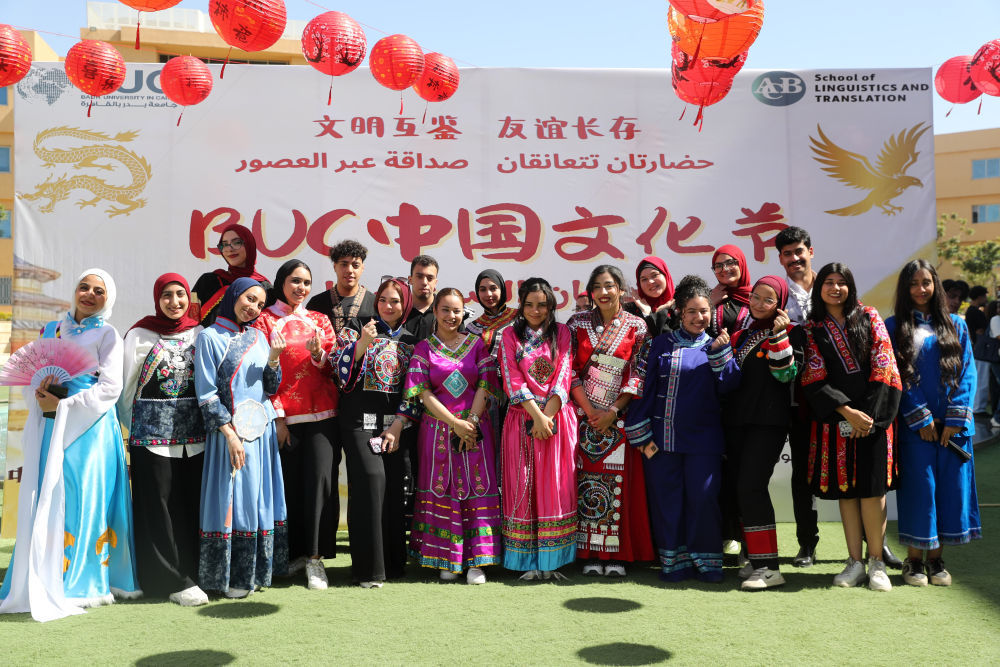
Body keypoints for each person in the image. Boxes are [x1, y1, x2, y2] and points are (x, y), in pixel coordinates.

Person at [1, 269, 141, 622]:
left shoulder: (107, 334)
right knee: (50, 492)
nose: (89, 294)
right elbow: (33, 377)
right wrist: (42, 395)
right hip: (52, 423)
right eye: (84, 287)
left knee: (84, 495)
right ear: (74, 290)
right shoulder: (51, 330)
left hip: (91, 427)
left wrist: (65, 405)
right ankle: (45, 569)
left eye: (98, 291)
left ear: (107, 299)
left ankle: (84, 580)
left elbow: (110, 387)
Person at [626, 275, 739, 584]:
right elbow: (643, 389)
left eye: (704, 311)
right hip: (662, 443)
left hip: (704, 443)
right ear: (678, 311)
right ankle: (674, 563)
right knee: (668, 502)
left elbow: (730, 387)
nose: (699, 317)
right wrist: (641, 435)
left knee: (704, 501)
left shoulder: (716, 345)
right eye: (692, 311)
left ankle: (707, 563)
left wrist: (721, 354)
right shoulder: (660, 344)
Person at [800, 263, 901, 592]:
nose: (835, 288)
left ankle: (877, 562)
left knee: (873, 491)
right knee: (847, 492)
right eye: (828, 282)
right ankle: (854, 562)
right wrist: (847, 413)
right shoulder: (812, 328)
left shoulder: (870, 316)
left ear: (851, 286)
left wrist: (866, 416)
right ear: (819, 288)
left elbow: (884, 363)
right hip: (837, 421)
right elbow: (813, 375)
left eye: (841, 282)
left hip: (873, 419)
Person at [886, 260, 981, 587]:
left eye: (926, 282)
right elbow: (896, 375)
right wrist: (920, 417)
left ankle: (937, 560)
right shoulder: (893, 326)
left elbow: (968, 372)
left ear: (935, 285)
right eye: (913, 283)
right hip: (917, 429)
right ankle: (913, 561)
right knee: (920, 491)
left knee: (950, 491)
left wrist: (955, 418)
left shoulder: (957, 325)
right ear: (904, 288)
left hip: (953, 430)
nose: (920, 289)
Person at [194, 278, 288, 598]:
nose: (253, 307)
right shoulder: (209, 337)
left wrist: (274, 358)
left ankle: (256, 573)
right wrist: (230, 435)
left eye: (260, 304)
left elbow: (270, 388)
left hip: (261, 435)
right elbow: (206, 394)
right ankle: (231, 578)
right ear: (234, 295)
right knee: (233, 502)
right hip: (230, 436)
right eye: (249, 299)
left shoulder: (259, 337)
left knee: (257, 502)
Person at [118, 274, 207, 606]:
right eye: (166, 296)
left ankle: (195, 573)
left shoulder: (199, 333)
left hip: (195, 439)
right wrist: (138, 426)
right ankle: (168, 579)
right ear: (157, 300)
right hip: (151, 439)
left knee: (190, 505)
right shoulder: (139, 334)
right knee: (158, 508)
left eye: (180, 294)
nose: (174, 302)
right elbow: (125, 388)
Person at [403, 288, 502, 583]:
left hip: (475, 430)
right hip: (437, 432)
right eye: (445, 309)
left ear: (463, 313)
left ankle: (477, 562)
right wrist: (453, 423)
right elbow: (422, 393)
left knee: (476, 488)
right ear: (435, 311)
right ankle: (446, 557)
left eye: (457, 310)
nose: (451, 316)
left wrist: (470, 421)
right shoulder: (424, 348)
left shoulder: (476, 344)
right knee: (442, 489)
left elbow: (486, 384)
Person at [254, 260, 339, 590]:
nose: (301, 288)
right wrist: (278, 418)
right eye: (294, 281)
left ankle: (315, 559)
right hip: (283, 419)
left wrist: (319, 355)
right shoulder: (264, 320)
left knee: (318, 487)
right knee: (287, 488)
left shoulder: (320, 320)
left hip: (322, 416)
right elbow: (260, 372)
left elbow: (333, 369)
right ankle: (289, 556)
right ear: (281, 282)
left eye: (306, 282)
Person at [567, 265, 654, 576]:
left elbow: (639, 371)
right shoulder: (576, 323)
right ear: (590, 292)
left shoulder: (637, 326)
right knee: (585, 484)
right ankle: (589, 554)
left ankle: (616, 555)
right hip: (584, 419)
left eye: (609, 286)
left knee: (618, 486)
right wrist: (590, 412)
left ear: (620, 289)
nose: (603, 292)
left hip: (618, 419)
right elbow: (568, 369)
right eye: (597, 287)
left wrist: (613, 411)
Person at [334, 278, 420, 588]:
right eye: (382, 300)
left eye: (395, 301)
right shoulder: (357, 328)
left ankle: (392, 565)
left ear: (405, 305)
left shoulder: (412, 341)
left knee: (393, 491)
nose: (387, 306)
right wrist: (362, 345)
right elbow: (336, 370)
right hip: (359, 424)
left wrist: (398, 425)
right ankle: (367, 570)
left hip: (396, 428)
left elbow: (415, 389)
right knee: (371, 481)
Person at [497, 278, 579, 579]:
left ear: (551, 306)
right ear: (521, 305)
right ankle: (526, 562)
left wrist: (547, 417)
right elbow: (512, 378)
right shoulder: (509, 335)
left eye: (542, 305)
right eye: (529, 304)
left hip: (556, 419)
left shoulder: (562, 332)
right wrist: (537, 416)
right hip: (522, 419)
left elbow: (564, 374)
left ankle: (552, 562)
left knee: (555, 487)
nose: (535, 310)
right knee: (523, 486)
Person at [726, 276, 801, 590]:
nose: (758, 304)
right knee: (742, 489)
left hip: (768, 423)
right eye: (755, 296)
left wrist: (779, 334)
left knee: (752, 486)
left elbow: (785, 374)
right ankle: (756, 559)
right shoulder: (741, 334)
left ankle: (769, 567)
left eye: (768, 300)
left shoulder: (792, 332)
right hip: (738, 422)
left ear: (780, 304)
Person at [774, 226, 820, 567]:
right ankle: (807, 543)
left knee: (853, 468)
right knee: (802, 473)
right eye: (787, 254)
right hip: (794, 398)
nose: (794, 258)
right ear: (780, 259)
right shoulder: (776, 295)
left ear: (810, 251)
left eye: (798, 251)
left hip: (835, 397)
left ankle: (871, 545)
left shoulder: (832, 286)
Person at [191, 223, 271, 326]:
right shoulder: (208, 280)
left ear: (249, 245)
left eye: (237, 242)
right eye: (224, 244)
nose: (229, 249)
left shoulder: (265, 288)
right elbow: (190, 317)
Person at [306, 239, 376, 334]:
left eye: (355, 265)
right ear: (335, 266)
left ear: (362, 268)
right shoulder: (317, 303)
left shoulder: (375, 303)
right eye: (344, 264)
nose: (349, 270)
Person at [625, 255, 677, 335]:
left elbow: (672, 339)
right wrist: (646, 313)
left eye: (655, 275)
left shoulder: (681, 305)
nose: (650, 282)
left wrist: (661, 313)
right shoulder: (631, 311)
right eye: (644, 279)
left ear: (665, 275)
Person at [708, 244, 752, 337]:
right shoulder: (708, 296)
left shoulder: (756, 297)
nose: (724, 269)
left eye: (730, 263)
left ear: (741, 264)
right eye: (718, 265)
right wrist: (709, 303)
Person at [966, 286, 993, 414]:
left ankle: (977, 406)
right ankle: (978, 408)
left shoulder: (970, 311)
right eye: (985, 296)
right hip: (980, 349)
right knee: (982, 379)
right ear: (979, 297)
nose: (986, 299)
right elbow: (981, 330)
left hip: (975, 348)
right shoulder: (976, 312)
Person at [404, 255, 439, 341]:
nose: (424, 282)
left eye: (430, 278)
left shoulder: (446, 311)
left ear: (435, 282)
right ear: (410, 280)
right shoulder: (399, 310)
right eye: (419, 277)